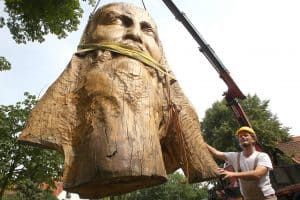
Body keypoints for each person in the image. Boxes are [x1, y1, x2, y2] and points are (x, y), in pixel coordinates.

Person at [207, 126, 277, 200]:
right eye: (240, 136)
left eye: (246, 135)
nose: (242, 137)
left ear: (253, 139)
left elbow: (257, 174)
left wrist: (232, 174)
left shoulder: (262, 156)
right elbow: (216, 153)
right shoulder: (235, 156)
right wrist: (200, 141)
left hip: (266, 198)